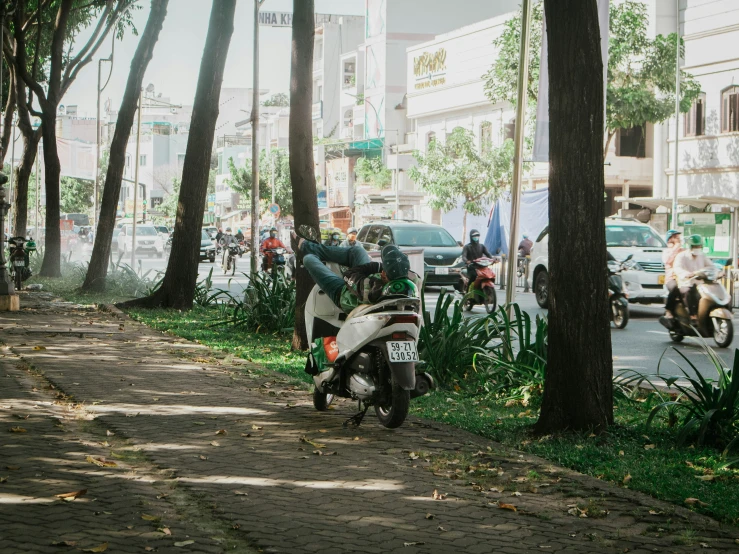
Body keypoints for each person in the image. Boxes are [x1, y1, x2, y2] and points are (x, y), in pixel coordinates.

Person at [294, 232, 417, 313]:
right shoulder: (413, 282)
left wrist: (375, 266)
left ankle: (307, 247)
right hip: (360, 287)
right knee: (358, 251)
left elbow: (349, 275)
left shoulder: (371, 287)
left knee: (308, 259)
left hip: (344, 294)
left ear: (384, 274)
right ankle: (311, 247)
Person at [673, 234, 713, 321]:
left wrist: (718, 272)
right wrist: (687, 274)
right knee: (688, 292)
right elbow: (677, 268)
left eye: (699, 246)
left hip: (701, 283)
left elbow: (711, 266)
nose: (697, 248)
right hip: (686, 283)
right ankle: (692, 314)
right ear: (690, 246)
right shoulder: (682, 256)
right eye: (695, 246)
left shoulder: (702, 256)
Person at [662, 230, 683, 320]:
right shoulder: (667, 251)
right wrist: (676, 247)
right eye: (675, 237)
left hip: (684, 277)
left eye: (678, 237)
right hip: (672, 278)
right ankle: (669, 310)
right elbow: (668, 260)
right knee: (674, 288)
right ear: (670, 239)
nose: (678, 239)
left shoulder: (683, 250)